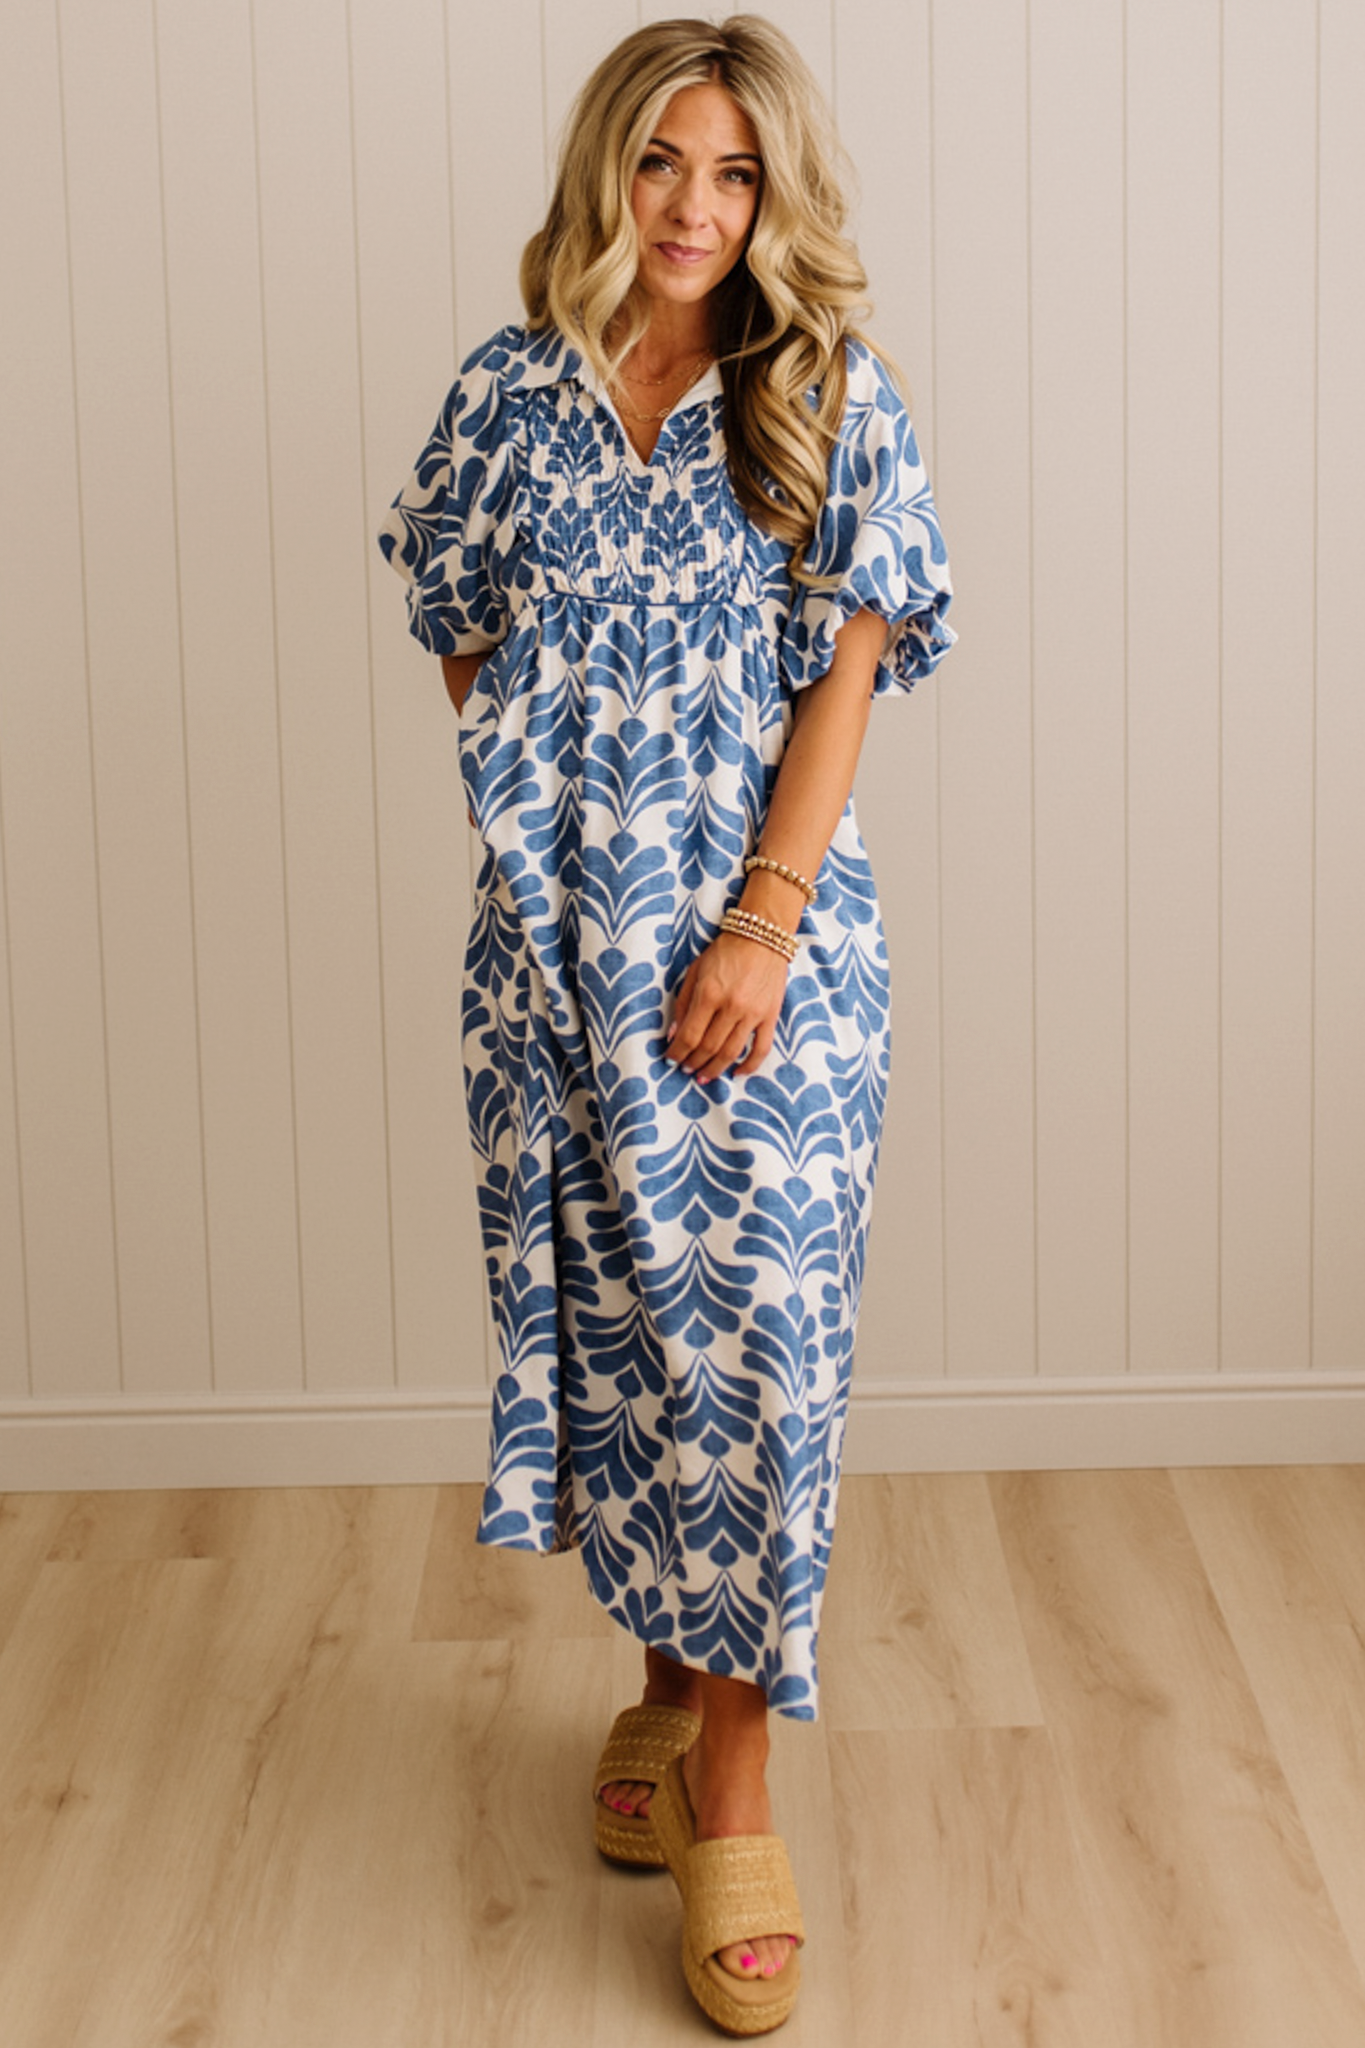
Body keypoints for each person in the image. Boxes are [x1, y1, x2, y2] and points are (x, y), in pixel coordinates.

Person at [378, 15, 953, 2034]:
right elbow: (456, 619)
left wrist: (757, 923)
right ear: (603, 172)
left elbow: (851, 673)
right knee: (627, 1342)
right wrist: (551, 835)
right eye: (661, 162)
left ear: (776, 193)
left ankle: (734, 1779)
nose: (697, 207)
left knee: (757, 1354)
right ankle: (652, 1692)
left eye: (735, 172)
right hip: (556, 975)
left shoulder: (822, 395)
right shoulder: (506, 396)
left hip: (765, 961)